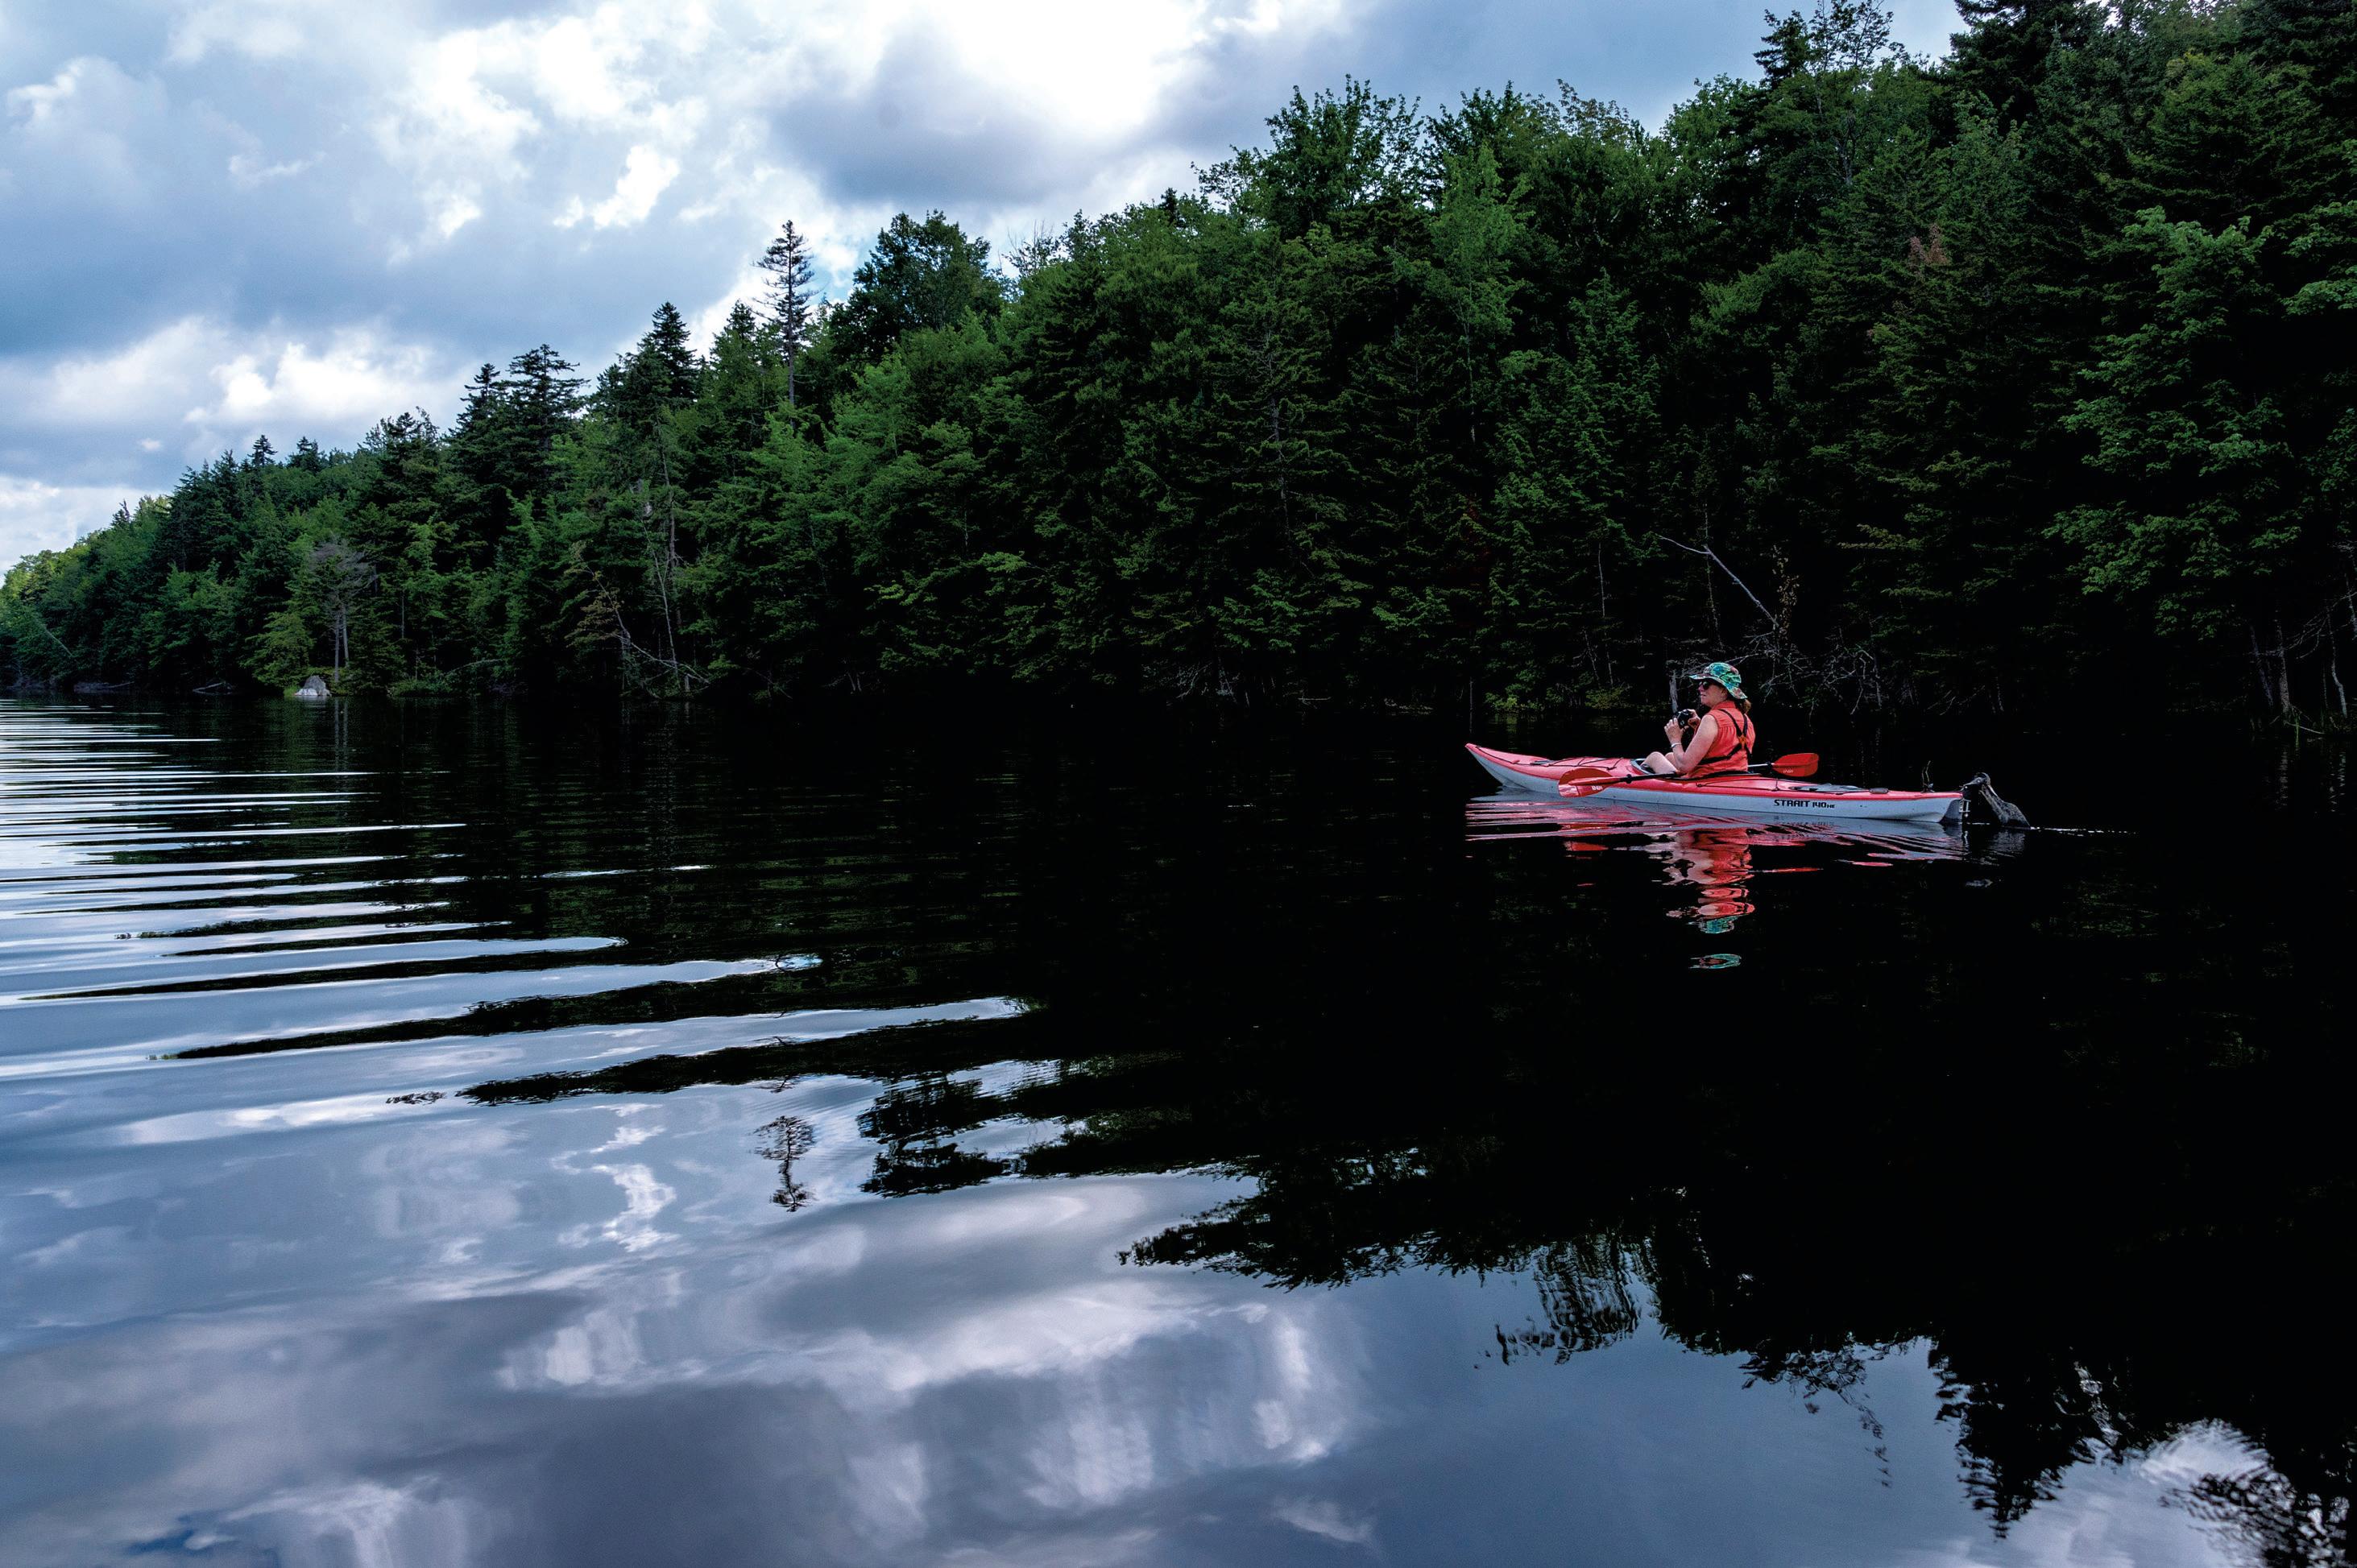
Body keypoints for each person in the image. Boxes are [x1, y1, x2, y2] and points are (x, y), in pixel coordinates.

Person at [1640, 661, 1754, 777]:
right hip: (1733, 778)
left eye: (1706, 684)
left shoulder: (1711, 720)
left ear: (1723, 691)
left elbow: (1684, 766)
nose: (1700, 688)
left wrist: (1675, 739)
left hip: (1704, 780)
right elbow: (1722, 750)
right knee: (1670, 757)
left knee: (1655, 757)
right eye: (1700, 683)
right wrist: (1699, 728)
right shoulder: (1745, 718)